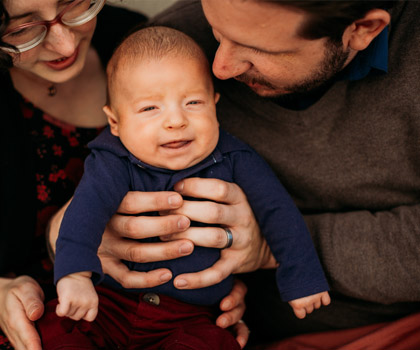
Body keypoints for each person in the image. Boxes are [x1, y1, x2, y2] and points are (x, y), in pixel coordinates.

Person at [0, 1, 252, 349]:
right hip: (1, 316)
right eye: (21, 30)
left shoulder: (134, 41)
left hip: (148, 313)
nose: (65, 44)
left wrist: (212, 285)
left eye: (75, 5)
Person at [101, 0, 420, 347]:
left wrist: (270, 245)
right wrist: (70, 233)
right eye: (217, 31)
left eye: (258, 48)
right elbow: (106, 169)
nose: (220, 68)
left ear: (362, 29)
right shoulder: (171, 48)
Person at [38, 25, 330, 350]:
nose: (176, 120)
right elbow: (86, 210)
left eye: (193, 102)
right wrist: (76, 276)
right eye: (150, 108)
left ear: (215, 104)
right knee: (54, 329)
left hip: (189, 317)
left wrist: (302, 276)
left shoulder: (235, 158)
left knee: (215, 344)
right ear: (115, 122)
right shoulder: (112, 160)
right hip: (109, 304)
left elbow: (279, 212)